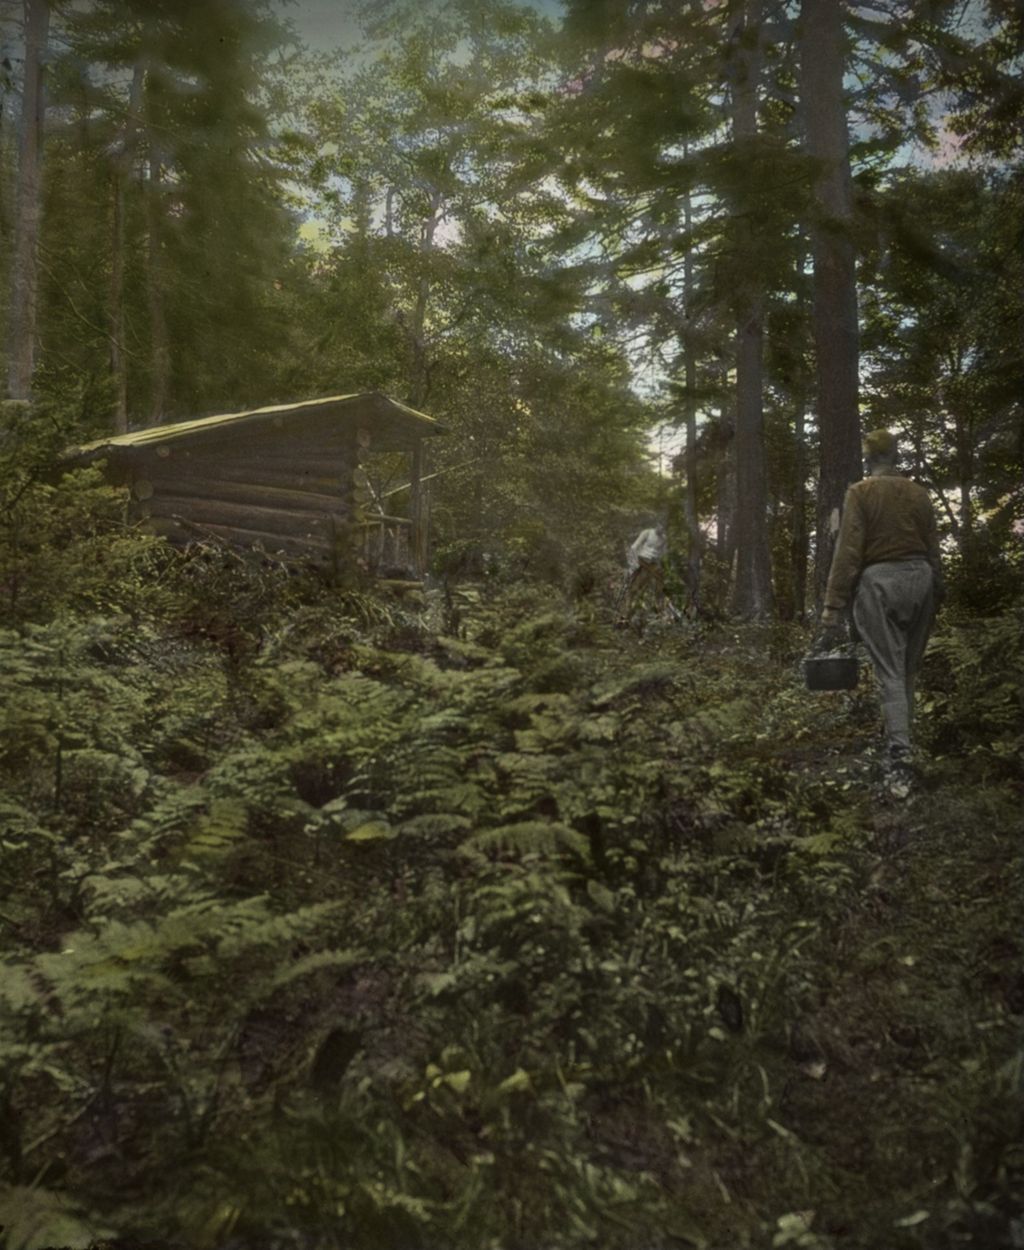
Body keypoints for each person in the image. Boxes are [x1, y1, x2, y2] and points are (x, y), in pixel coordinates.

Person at [819, 428, 945, 794]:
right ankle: (901, 743)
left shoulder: (861, 492)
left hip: (880, 583)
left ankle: (900, 761)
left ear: (868, 458)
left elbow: (849, 550)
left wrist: (833, 604)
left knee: (889, 671)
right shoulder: (918, 493)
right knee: (906, 671)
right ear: (896, 456)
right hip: (920, 579)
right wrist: (938, 587)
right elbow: (933, 547)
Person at [619, 520, 667, 625]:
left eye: (664, 528)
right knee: (634, 588)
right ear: (657, 525)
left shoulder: (663, 538)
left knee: (661, 583)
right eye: (660, 526)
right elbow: (634, 547)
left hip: (653, 564)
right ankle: (625, 613)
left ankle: (659, 610)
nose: (661, 529)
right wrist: (633, 563)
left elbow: (662, 553)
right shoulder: (647, 533)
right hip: (642, 560)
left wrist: (658, 562)